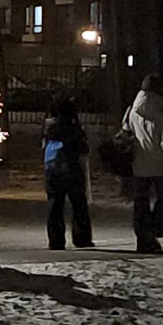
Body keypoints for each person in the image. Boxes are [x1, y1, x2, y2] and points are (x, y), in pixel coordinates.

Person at [123, 74, 163, 253]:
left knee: (141, 201)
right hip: (159, 165)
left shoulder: (132, 110)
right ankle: (153, 231)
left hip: (138, 163)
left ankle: (142, 237)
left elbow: (125, 133)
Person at [42, 97, 94, 250]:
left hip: (51, 166)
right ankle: (82, 238)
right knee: (78, 203)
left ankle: (56, 240)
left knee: (55, 205)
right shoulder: (73, 129)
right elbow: (83, 149)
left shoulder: (49, 128)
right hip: (71, 166)